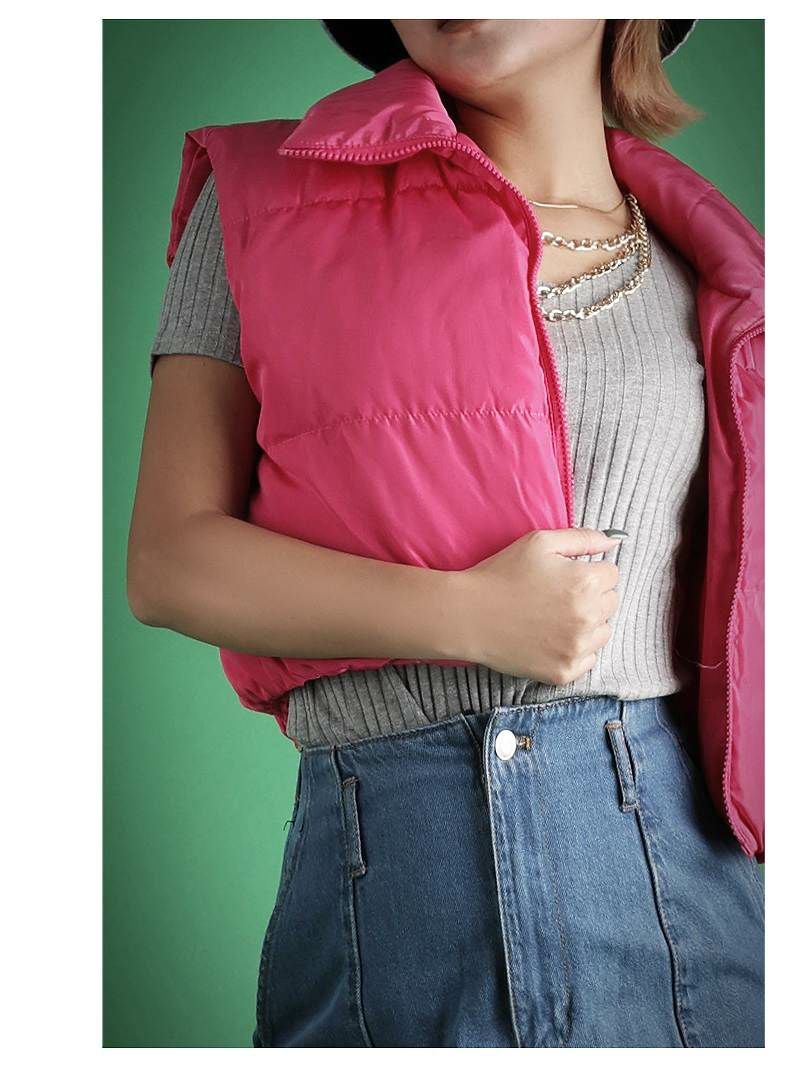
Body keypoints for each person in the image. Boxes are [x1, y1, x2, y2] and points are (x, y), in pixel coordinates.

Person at [128, 19, 765, 1048]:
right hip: (389, 890)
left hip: (676, 884)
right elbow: (167, 558)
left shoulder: (720, 264)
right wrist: (468, 612)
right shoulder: (253, 197)